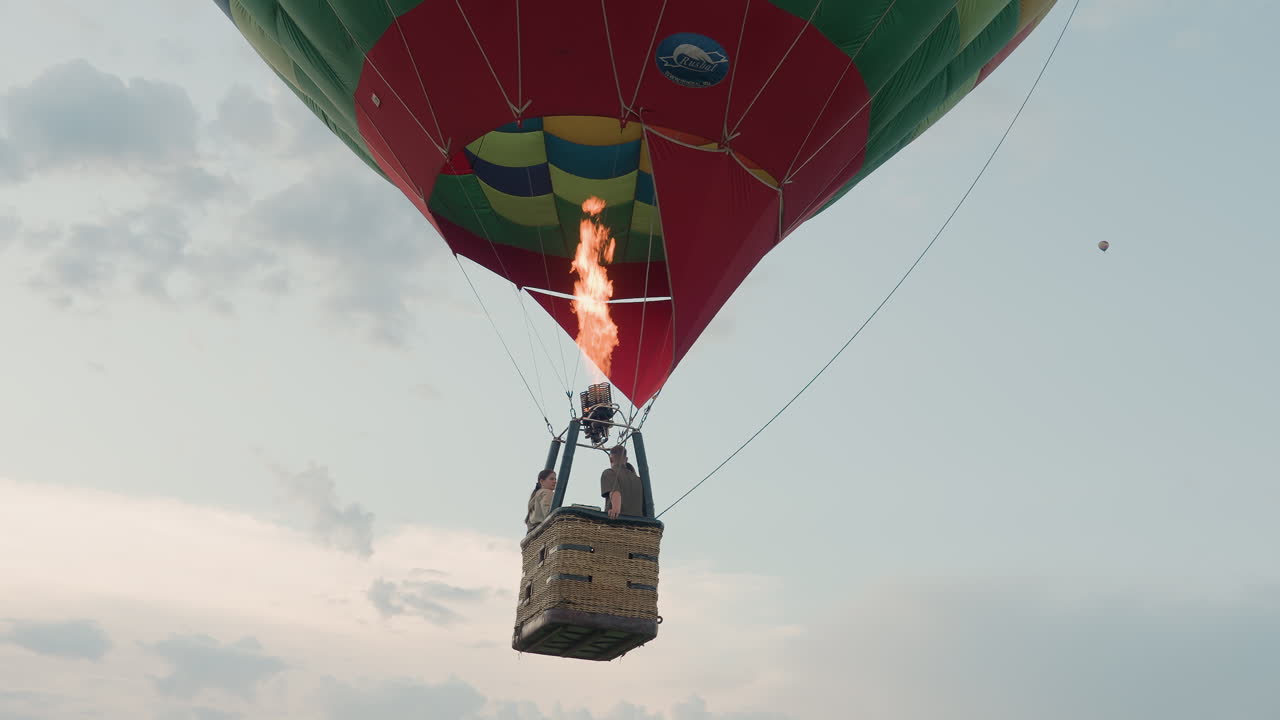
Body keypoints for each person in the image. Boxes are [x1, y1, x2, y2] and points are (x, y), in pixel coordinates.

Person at [599, 445, 643, 519]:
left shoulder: (609, 473)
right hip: (638, 523)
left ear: (610, 459)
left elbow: (615, 491)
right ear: (626, 459)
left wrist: (615, 509)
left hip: (618, 522)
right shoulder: (639, 480)